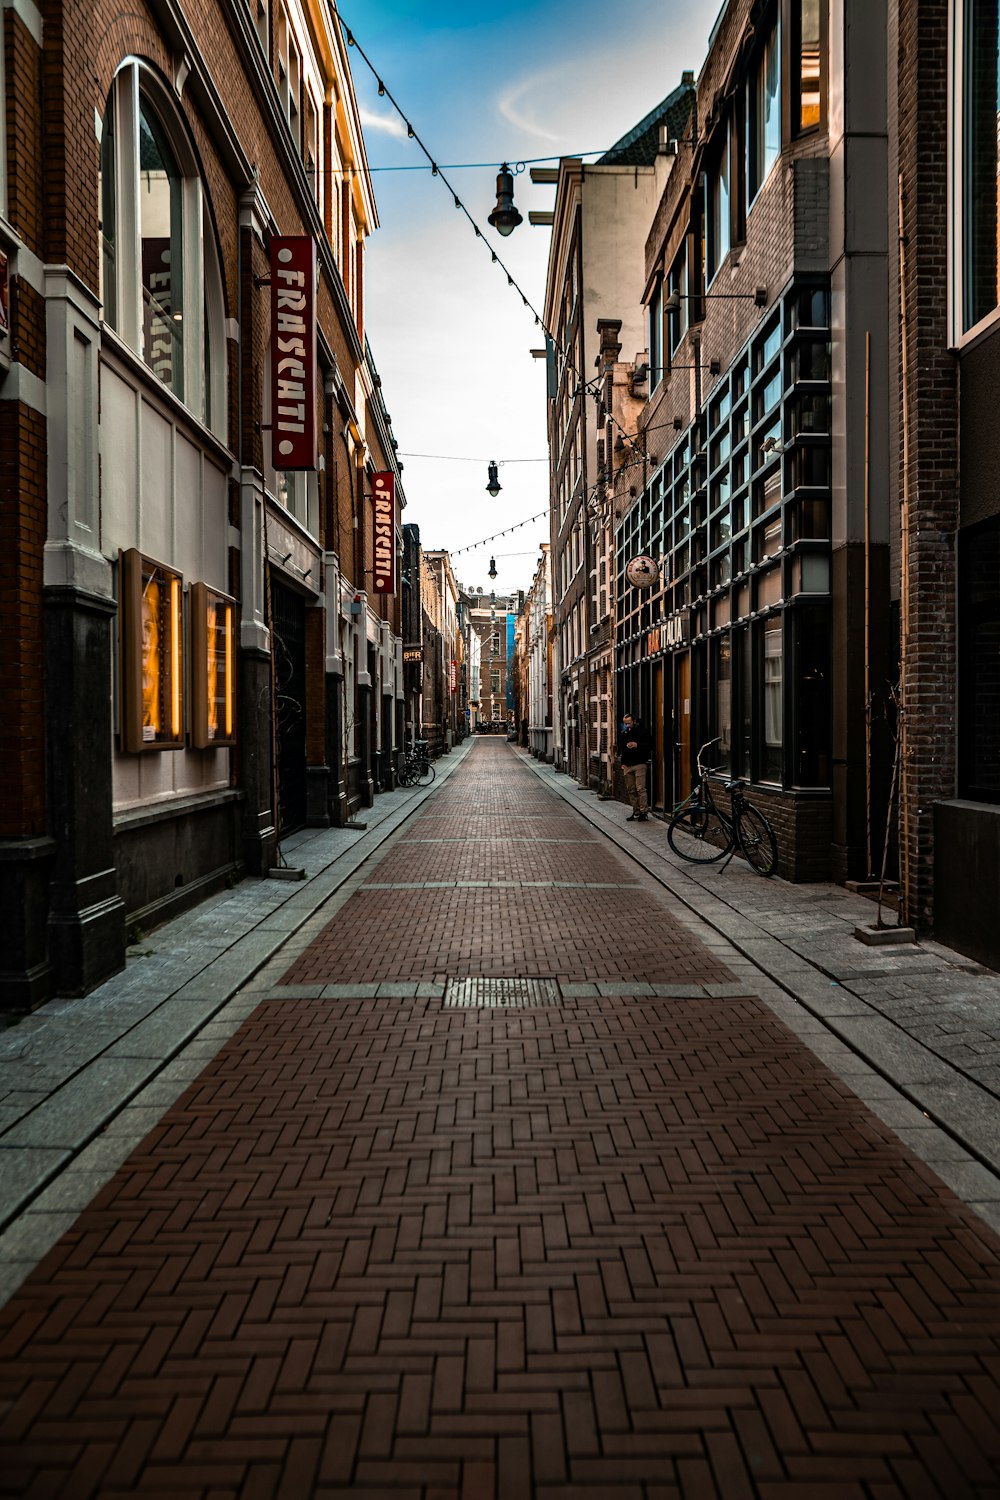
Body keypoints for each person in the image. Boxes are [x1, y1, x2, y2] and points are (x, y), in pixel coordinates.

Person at [618, 712, 651, 821]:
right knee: (631, 789)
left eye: (629, 723)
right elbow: (622, 749)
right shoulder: (624, 733)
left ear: (634, 721)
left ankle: (643, 812)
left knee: (640, 789)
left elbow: (649, 745)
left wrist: (637, 745)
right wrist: (622, 763)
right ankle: (636, 810)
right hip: (627, 765)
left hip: (639, 763)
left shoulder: (643, 732)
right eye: (625, 723)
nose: (627, 725)